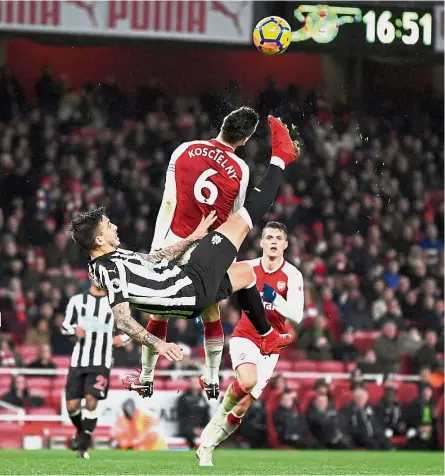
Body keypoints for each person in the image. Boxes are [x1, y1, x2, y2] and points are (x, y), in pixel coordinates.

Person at [67, 116, 299, 390]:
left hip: (182, 276)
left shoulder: (103, 262)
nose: (115, 226)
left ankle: (267, 335)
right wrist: (160, 345)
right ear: (98, 239)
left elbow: (150, 257)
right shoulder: (111, 270)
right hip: (191, 284)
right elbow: (122, 319)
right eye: (108, 226)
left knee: (246, 275)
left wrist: (191, 237)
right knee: (245, 218)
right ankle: (281, 158)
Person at [141, 107, 258, 400]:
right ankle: (211, 375)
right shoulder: (241, 171)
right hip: (208, 250)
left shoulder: (185, 149)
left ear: (222, 124)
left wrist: (159, 247)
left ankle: (145, 375)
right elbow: (233, 217)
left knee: (160, 310)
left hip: (174, 239)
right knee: (211, 309)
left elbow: (170, 199)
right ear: (245, 140)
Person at [197, 221, 304, 466]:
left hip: (272, 344)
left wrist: (274, 298)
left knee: (243, 407)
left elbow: (297, 315)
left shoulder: (293, 274)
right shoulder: (248, 268)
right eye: (269, 237)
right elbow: (220, 283)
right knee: (247, 381)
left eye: (279, 238)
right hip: (246, 334)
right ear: (262, 242)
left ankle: (208, 446)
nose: (274, 241)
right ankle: (213, 426)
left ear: (285, 244)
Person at [62, 282, 127, 459]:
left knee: (91, 401)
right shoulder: (77, 300)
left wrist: (123, 339)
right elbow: (64, 326)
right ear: (91, 276)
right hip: (78, 360)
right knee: (72, 406)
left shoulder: (115, 303)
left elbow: (130, 327)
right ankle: (82, 434)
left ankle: (82, 448)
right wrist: (74, 330)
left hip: (102, 360)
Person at [340, 385, 390, 450]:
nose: (360, 399)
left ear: (367, 397)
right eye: (358, 397)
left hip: (375, 434)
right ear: (354, 398)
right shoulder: (348, 409)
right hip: (359, 436)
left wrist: (380, 431)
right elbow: (346, 426)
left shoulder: (372, 408)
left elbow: (378, 422)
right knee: (373, 444)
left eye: (363, 397)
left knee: (385, 442)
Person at [176, 376, 210, 449]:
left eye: (197, 383)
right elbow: (181, 416)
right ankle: (194, 449)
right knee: (188, 432)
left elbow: (206, 415)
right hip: (188, 428)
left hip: (201, 427)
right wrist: (194, 429)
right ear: (190, 384)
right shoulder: (183, 398)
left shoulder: (202, 398)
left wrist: (203, 428)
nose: (196, 385)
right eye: (194, 383)